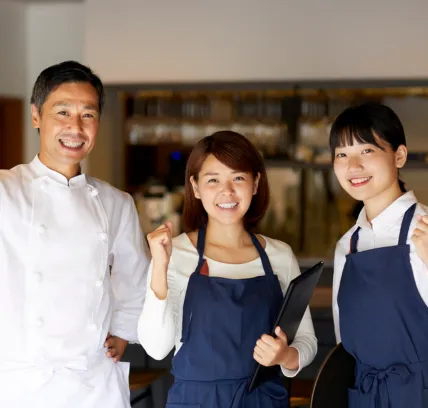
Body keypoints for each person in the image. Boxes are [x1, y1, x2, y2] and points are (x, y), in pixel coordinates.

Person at [0, 61, 149, 408]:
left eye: (88, 115)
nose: (76, 127)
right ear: (36, 116)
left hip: (92, 384)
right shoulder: (6, 190)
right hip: (19, 382)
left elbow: (136, 279)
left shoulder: (116, 202)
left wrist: (124, 332)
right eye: (63, 112)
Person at [138, 131, 317, 407]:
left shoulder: (280, 256)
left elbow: (306, 341)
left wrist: (284, 356)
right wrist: (160, 267)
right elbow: (156, 348)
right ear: (196, 187)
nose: (227, 191)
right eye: (213, 180)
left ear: (255, 183)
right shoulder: (174, 254)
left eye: (238, 178)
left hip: (262, 400)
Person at [331, 103, 428, 408]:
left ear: (399, 156)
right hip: (365, 396)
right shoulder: (346, 246)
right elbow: (343, 344)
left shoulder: (427, 229)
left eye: (367, 150)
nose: (353, 166)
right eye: (341, 155)